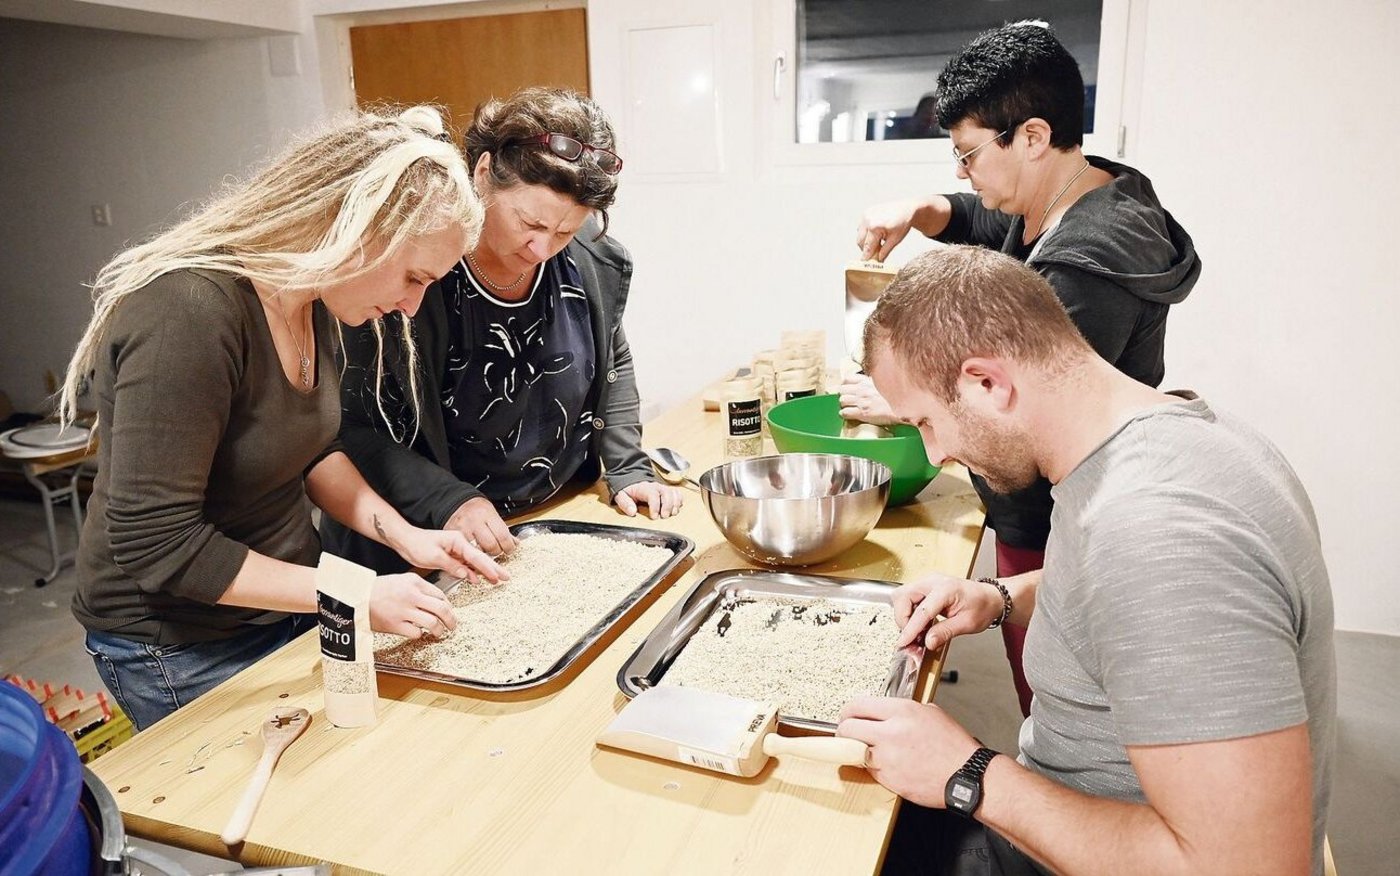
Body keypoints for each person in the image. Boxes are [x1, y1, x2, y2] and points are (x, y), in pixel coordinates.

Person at [838, 245, 1334, 876]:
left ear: (986, 382)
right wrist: (1001, 597)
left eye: (926, 423)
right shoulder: (1169, 436)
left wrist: (969, 775)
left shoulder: (1156, 534)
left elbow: (1250, 867)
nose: (934, 455)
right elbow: (1116, 589)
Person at [61, 106, 507, 731]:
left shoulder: (314, 298)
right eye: (413, 276)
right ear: (355, 224)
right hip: (179, 640)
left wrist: (405, 537)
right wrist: (350, 593)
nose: (411, 306)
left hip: (285, 600)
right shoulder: (188, 312)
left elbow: (314, 451)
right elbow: (157, 543)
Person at [847, 21, 1202, 717]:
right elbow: (991, 219)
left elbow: (1018, 417)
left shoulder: (1082, 268)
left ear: (1033, 137)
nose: (963, 174)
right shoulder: (1075, 193)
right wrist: (924, 210)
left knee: (1059, 708)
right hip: (1044, 521)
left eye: (968, 154)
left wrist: (912, 407)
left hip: (1054, 527)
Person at [322, 88, 682, 571]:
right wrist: (448, 499)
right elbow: (348, 426)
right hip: (423, 545)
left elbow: (613, 360)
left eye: (565, 232)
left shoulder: (594, 264)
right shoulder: (409, 273)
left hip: (553, 521)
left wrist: (627, 466)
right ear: (484, 173)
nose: (541, 249)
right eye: (529, 222)